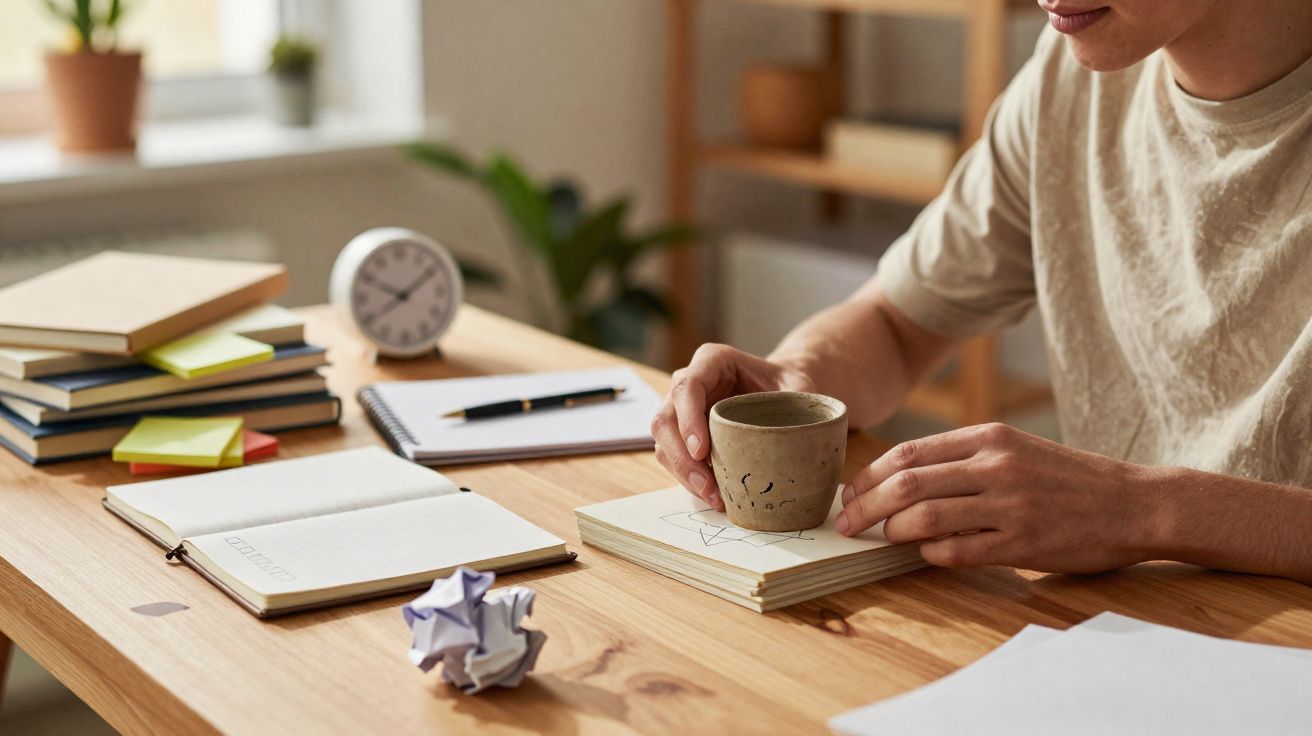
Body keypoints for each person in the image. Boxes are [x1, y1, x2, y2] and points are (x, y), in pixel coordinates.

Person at [652, 0, 1312, 583]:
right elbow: (895, 321)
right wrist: (794, 384)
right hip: (1120, 632)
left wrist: (1142, 509)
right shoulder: (1067, 79)